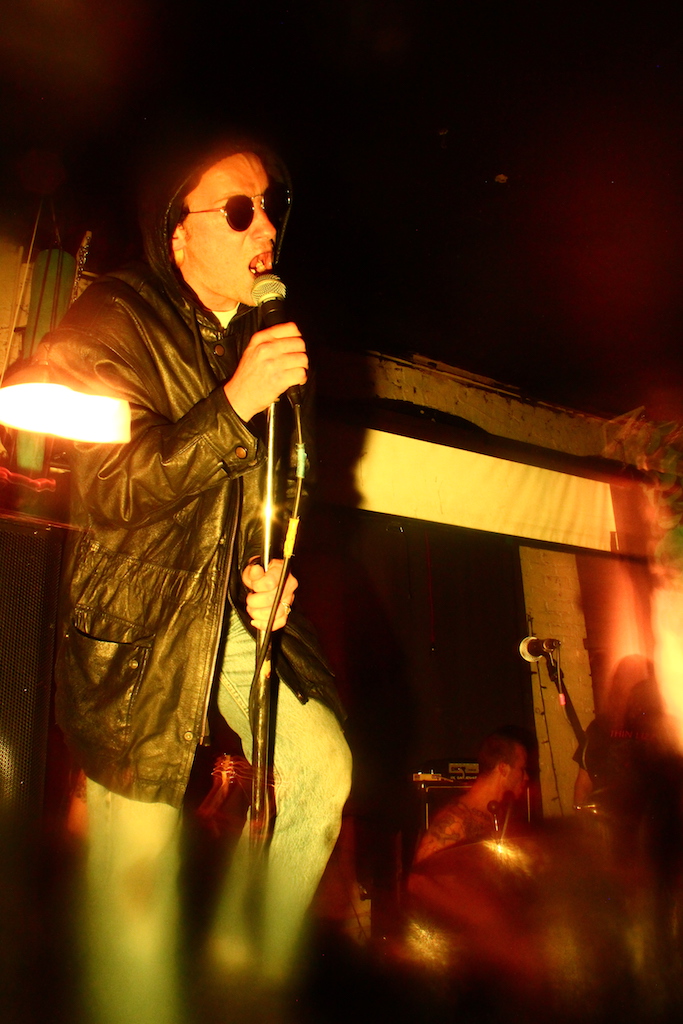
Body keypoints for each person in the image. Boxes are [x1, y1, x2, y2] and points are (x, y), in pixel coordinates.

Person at [41, 129, 352, 1024]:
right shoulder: (113, 317)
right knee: (138, 883)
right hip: (140, 625)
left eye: (272, 210)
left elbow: (284, 485)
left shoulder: (264, 340)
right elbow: (107, 491)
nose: (267, 229)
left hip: (235, 614)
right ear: (178, 235)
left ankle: (239, 978)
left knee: (322, 771)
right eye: (240, 211)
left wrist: (273, 567)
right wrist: (232, 403)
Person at [413, 733, 528, 864]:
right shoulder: (454, 821)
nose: (526, 777)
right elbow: (422, 873)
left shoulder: (502, 816)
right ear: (503, 768)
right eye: (522, 769)